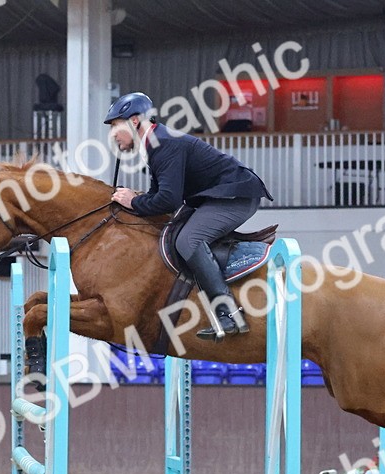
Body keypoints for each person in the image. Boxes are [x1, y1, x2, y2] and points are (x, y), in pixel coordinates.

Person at [105, 92, 273, 340]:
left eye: (115, 127)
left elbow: (169, 200)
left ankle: (228, 314)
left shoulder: (163, 144)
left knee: (188, 240)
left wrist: (133, 200)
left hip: (236, 196)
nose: (113, 136)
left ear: (135, 122)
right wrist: (137, 200)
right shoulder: (155, 144)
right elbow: (159, 195)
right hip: (217, 195)